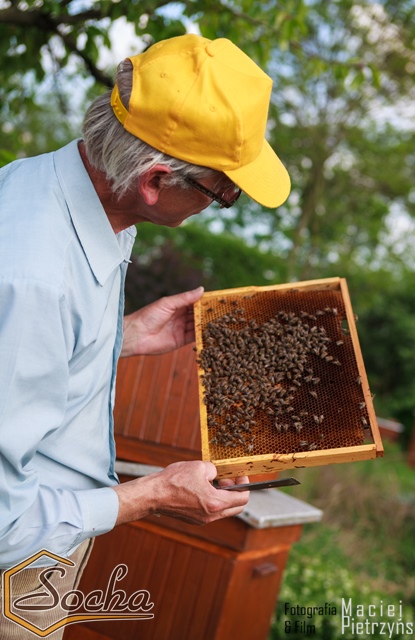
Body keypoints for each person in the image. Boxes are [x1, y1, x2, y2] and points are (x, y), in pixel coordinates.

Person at [0, 33, 291, 635]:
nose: (225, 200)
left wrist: (123, 337)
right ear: (155, 181)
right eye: (223, 193)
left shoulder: (75, 190)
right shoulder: (33, 277)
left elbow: (31, 355)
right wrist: (155, 495)